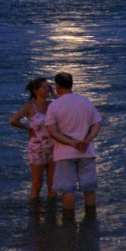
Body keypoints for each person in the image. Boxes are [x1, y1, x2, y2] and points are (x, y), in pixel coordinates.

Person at [45, 72, 102, 212]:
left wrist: (72, 143)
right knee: (89, 189)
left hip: (65, 153)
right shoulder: (85, 101)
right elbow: (97, 124)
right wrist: (86, 140)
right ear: (72, 84)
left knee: (67, 190)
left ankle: (68, 222)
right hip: (86, 151)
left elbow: (52, 132)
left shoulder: (54, 106)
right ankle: (90, 220)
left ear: (57, 86)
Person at [8, 77, 57, 200]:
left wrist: (54, 93)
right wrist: (28, 128)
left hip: (54, 147)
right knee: (37, 184)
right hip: (37, 148)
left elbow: (66, 106)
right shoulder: (30, 106)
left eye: (48, 87)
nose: (46, 89)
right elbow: (12, 120)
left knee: (53, 185)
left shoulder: (52, 105)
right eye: (43, 87)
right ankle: (34, 214)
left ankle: (52, 215)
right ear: (35, 90)